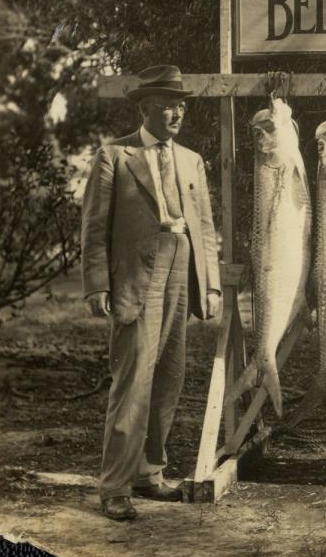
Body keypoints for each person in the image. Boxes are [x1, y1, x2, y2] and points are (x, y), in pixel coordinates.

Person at [81, 65, 221, 521]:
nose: (177, 113)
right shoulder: (114, 156)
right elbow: (95, 227)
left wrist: (212, 284)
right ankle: (115, 486)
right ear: (146, 109)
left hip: (182, 266)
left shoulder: (191, 160)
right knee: (133, 377)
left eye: (181, 105)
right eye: (167, 106)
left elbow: (203, 225)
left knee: (169, 376)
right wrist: (98, 283)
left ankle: (150, 473)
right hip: (137, 277)